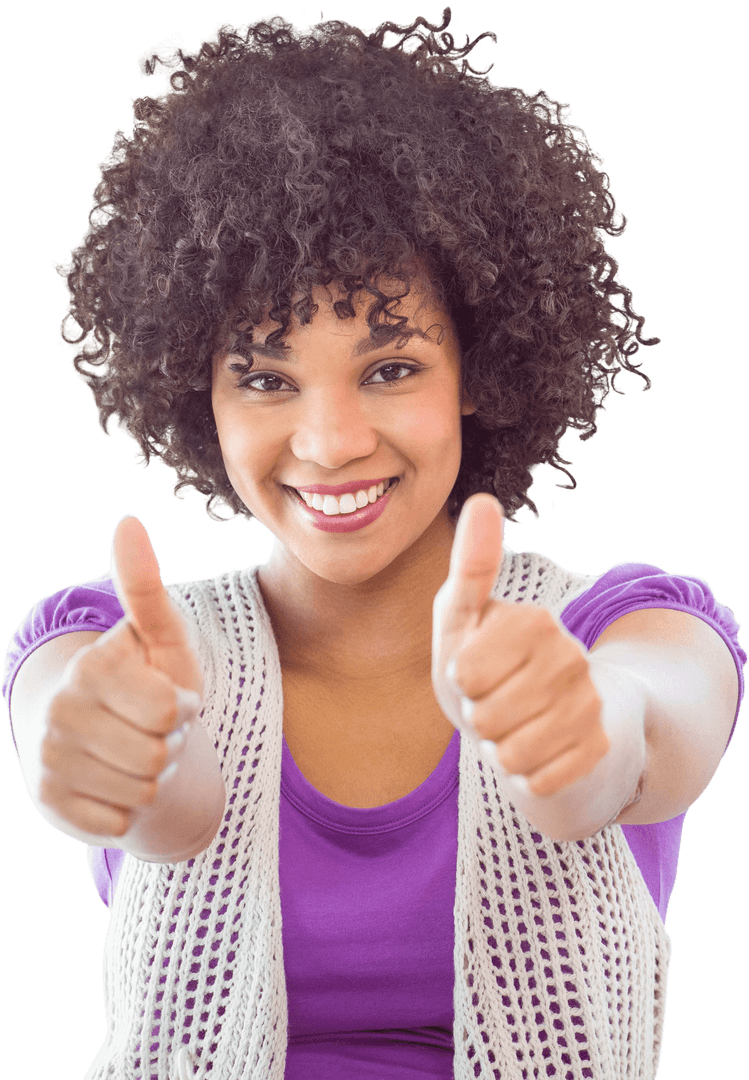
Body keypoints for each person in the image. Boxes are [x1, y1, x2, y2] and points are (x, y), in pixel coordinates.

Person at [2, 8, 745, 1079]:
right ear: (194, 396)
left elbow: (647, 739)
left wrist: (591, 734)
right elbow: (166, 806)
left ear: (480, 369)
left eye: (389, 367)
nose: (329, 441)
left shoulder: (621, 630)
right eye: (263, 378)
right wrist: (126, 758)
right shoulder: (118, 648)